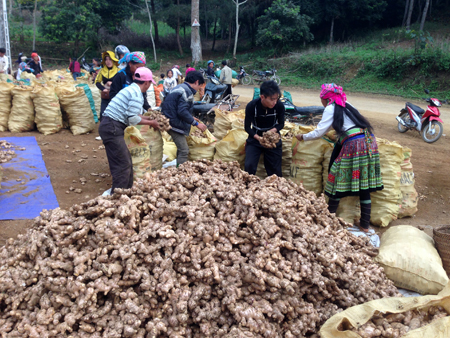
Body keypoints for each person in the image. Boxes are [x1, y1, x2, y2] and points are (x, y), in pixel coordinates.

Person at [295, 83, 384, 232]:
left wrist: (302, 137)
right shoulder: (346, 104)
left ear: (326, 98)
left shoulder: (330, 108)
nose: (322, 103)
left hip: (354, 144)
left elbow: (319, 132)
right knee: (364, 182)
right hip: (368, 142)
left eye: (322, 99)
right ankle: (365, 224)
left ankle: (328, 219)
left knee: (336, 179)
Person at [98, 67, 160, 194]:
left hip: (110, 125)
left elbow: (130, 114)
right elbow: (132, 119)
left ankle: (127, 194)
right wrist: (151, 123)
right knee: (122, 166)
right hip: (112, 128)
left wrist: (147, 118)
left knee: (126, 162)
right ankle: (117, 198)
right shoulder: (137, 95)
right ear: (147, 82)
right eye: (150, 84)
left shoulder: (131, 89)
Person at [162, 71, 207, 166]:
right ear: (196, 82)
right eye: (200, 86)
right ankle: (180, 173)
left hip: (170, 119)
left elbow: (178, 107)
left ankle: (178, 167)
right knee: (184, 150)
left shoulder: (180, 87)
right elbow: (182, 111)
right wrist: (196, 123)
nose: (199, 89)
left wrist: (191, 117)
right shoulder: (187, 91)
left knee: (181, 149)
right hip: (174, 123)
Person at [244, 80, 285, 177]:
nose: (275, 102)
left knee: (275, 171)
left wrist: (272, 131)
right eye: (272, 99)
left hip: (272, 139)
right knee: (249, 166)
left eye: (276, 99)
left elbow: (281, 124)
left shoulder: (279, 106)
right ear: (262, 97)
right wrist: (259, 138)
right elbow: (247, 127)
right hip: (255, 138)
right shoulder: (251, 106)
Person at [95, 51, 119, 120]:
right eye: (106, 59)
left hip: (116, 96)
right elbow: (97, 82)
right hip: (106, 95)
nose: (108, 61)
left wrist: (113, 83)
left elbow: (122, 83)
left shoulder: (118, 71)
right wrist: (103, 89)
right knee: (103, 114)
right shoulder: (102, 71)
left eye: (110, 59)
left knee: (114, 115)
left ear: (113, 60)